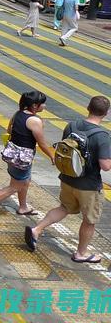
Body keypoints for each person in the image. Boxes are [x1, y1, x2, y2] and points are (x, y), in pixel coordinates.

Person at [26, 96, 111, 262]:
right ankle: (81, 254)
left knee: (64, 207)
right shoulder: (102, 136)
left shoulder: (72, 125)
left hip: (67, 178)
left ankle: (36, 230)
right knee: (89, 221)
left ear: (88, 107)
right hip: (88, 185)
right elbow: (106, 166)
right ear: (106, 113)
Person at [0, 91, 55, 220]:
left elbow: (9, 130)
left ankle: (23, 207)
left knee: (25, 181)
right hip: (22, 159)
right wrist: (52, 156)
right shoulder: (34, 121)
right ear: (35, 105)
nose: (44, 106)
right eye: (43, 103)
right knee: (15, 186)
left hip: (12, 154)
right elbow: (42, 143)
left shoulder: (18, 114)